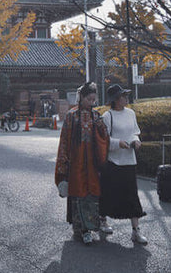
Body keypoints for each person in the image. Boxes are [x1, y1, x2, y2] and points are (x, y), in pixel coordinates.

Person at [54, 82, 109, 245]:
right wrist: (63, 163)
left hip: (92, 163)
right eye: (89, 99)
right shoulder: (72, 116)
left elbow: (105, 137)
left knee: (92, 194)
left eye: (94, 100)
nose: (92, 103)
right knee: (78, 194)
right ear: (82, 98)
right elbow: (64, 141)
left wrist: (101, 128)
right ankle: (81, 229)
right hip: (76, 162)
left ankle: (91, 227)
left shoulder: (96, 116)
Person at [99, 84, 148, 244]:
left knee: (131, 195)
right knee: (108, 193)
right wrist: (117, 143)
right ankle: (103, 221)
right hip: (113, 161)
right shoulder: (108, 116)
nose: (126, 98)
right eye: (123, 96)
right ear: (115, 100)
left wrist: (136, 141)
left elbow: (135, 131)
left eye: (126, 95)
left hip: (129, 160)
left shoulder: (131, 113)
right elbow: (103, 140)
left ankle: (136, 231)